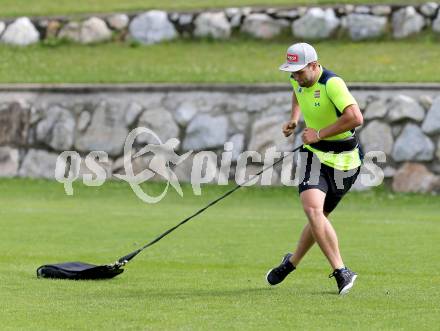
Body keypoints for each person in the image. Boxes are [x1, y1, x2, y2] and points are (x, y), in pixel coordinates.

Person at [265, 42, 364, 295]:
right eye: (292, 72)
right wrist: (294, 119)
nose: (295, 77)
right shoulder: (298, 79)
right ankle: (342, 271)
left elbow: (355, 118)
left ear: (314, 65)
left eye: (299, 71)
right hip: (314, 156)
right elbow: (297, 92)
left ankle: (291, 262)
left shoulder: (332, 84)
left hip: (345, 161)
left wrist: (319, 133)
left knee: (319, 218)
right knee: (312, 208)